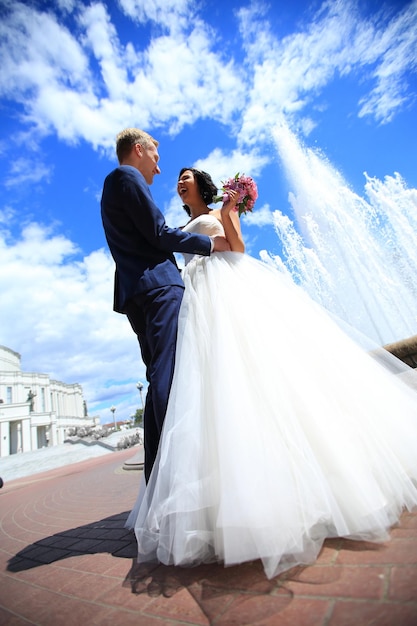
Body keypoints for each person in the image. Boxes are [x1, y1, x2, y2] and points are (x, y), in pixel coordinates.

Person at [126, 167, 417, 579]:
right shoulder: (177, 225)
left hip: (220, 292)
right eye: (177, 178)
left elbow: (237, 248)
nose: (180, 181)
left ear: (202, 185)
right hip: (193, 302)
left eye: (187, 176)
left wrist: (230, 208)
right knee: (208, 395)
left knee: (247, 375)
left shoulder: (217, 211)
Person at [100, 131, 230, 482]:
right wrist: (209, 244)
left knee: (159, 373)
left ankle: (157, 474)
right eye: (156, 158)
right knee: (169, 376)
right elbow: (158, 233)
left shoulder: (112, 188)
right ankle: (177, 474)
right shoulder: (126, 178)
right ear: (139, 150)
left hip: (136, 293)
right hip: (158, 288)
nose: (159, 169)